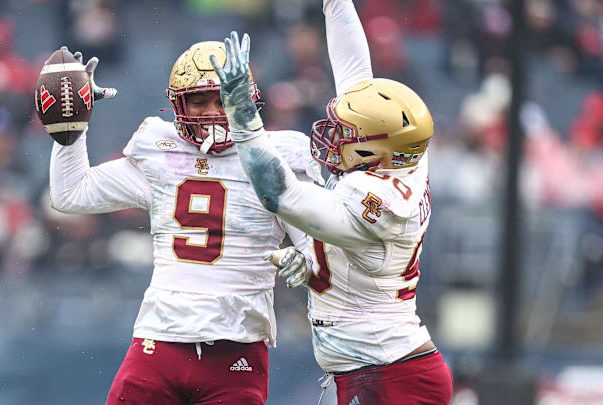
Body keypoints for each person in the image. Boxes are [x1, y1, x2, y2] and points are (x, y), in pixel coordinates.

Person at [46, 41, 318, 404]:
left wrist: (309, 259)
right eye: (199, 101)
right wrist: (71, 129)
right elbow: (71, 194)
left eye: (222, 99)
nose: (211, 112)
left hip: (237, 348)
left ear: (245, 100)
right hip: (159, 341)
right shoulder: (161, 152)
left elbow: (318, 252)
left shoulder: (278, 157)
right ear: (179, 105)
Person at [210, 0, 454, 403]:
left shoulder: (376, 203)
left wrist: (242, 117)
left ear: (374, 150)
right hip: (377, 366)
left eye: (347, 135)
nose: (335, 137)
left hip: (390, 373)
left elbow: (278, 194)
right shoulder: (402, 154)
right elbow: (357, 74)